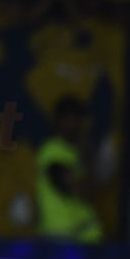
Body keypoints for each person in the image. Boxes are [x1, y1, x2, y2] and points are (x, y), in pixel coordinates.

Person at [36, 96, 104, 243]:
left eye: (81, 119)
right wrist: (88, 158)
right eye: (77, 119)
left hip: (82, 236)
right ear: (62, 120)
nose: (81, 125)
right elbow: (81, 191)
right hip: (62, 239)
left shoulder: (74, 152)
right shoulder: (52, 150)